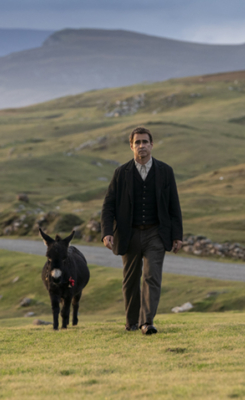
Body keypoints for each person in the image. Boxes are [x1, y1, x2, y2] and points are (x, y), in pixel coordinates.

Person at [101, 126, 183, 335]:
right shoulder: (121, 173)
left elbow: (174, 206)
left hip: (156, 233)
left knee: (151, 277)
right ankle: (131, 321)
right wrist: (107, 232)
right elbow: (108, 205)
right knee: (130, 280)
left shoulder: (165, 171)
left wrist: (177, 236)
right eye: (137, 142)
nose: (142, 146)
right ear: (131, 146)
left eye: (145, 142)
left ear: (152, 145)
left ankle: (147, 322)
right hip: (129, 234)